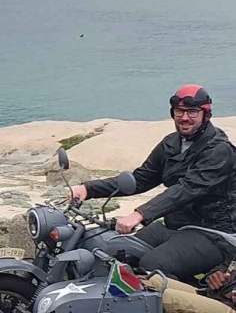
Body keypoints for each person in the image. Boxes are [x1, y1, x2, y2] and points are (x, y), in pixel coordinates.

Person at [70, 84, 236, 281]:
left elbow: (188, 188)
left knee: (153, 264)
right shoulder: (171, 143)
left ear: (205, 115)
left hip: (214, 233)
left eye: (192, 111)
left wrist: (140, 214)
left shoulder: (219, 150)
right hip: (175, 226)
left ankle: (195, 297)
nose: (184, 117)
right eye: (179, 111)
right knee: (117, 252)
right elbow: (141, 179)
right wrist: (88, 189)